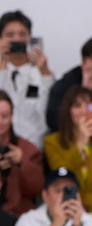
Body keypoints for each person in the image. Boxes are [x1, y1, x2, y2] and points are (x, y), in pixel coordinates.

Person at [43, 85, 92, 226]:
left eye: (88, 105)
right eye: (77, 105)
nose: (83, 111)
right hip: (66, 210)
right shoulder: (52, 143)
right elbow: (64, 178)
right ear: (68, 111)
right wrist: (81, 142)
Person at [0, 10, 55, 150]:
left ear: (30, 37)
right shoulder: (2, 71)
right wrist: (2, 63)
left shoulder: (41, 73)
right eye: (10, 35)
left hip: (33, 149)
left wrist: (45, 72)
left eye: (22, 34)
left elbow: (47, 112)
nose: (17, 39)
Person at [46, 36, 92, 133]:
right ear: (83, 62)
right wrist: (86, 92)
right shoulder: (66, 83)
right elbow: (53, 121)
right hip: (69, 138)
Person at [0, 89, 45, 217]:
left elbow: (37, 189)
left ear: (12, 116)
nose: (0, 121)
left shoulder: (27, 148)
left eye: (4, 116)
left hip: (17, 215)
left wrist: (22, 162)